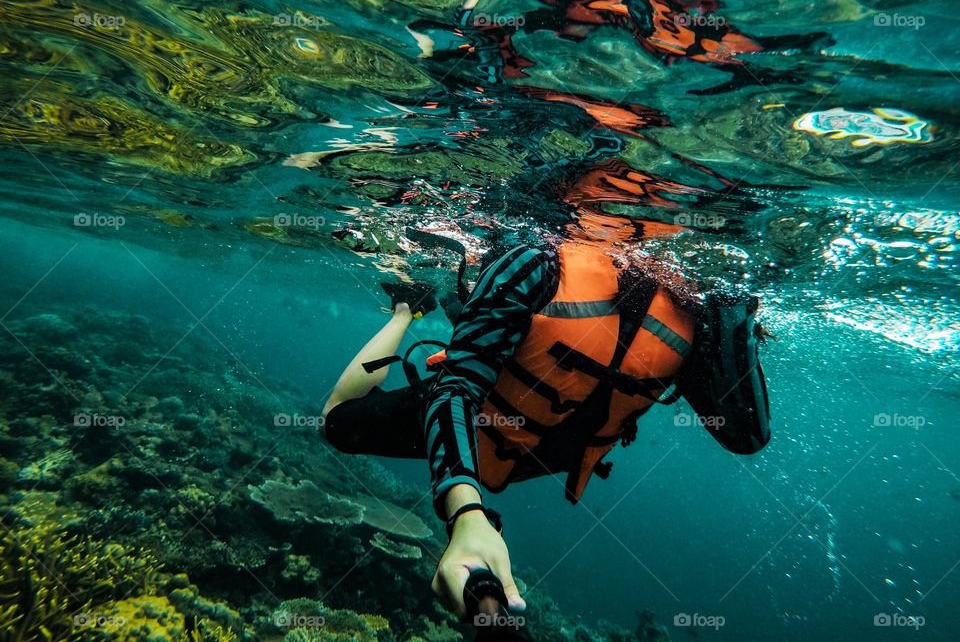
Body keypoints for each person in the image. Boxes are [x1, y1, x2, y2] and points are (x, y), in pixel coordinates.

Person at [321, 232, 771, 620]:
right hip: (494, 425)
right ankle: (410, 307)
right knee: (336, 424)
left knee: (339, 419)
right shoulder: (547, 263)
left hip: (513, 434)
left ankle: (430, 311)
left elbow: (746, 436)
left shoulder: (699, 310)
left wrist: (733, 315)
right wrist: (466, 512)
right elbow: (457, 387)